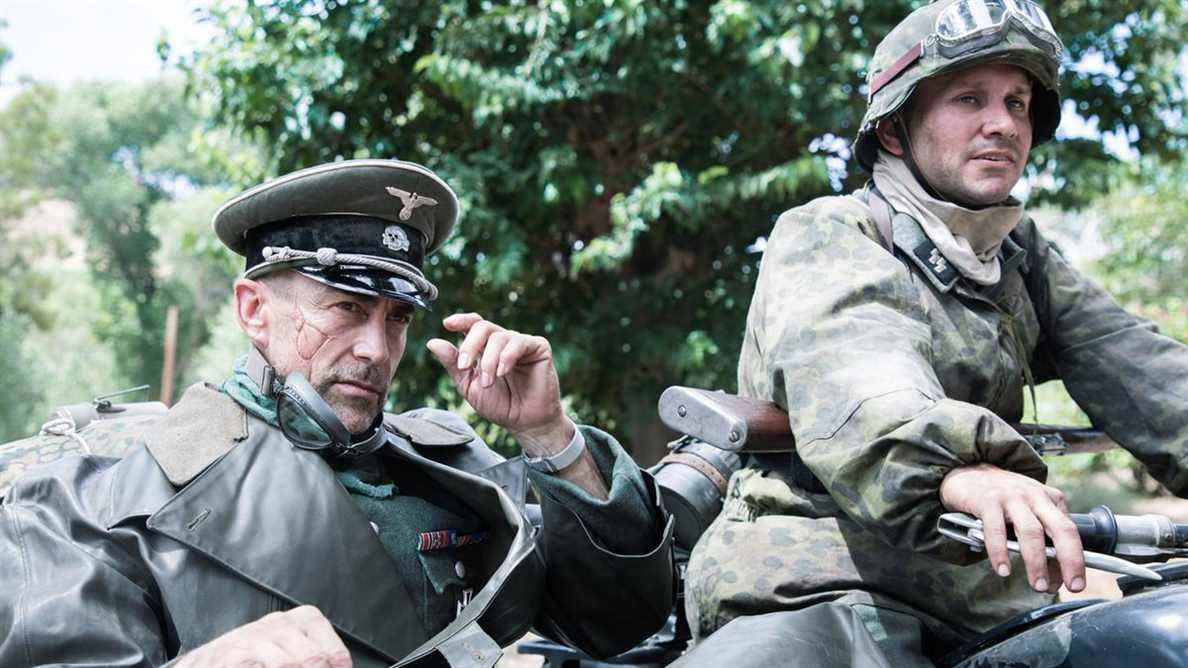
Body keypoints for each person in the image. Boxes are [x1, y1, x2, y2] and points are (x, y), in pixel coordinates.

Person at [0, 159, 674, 667]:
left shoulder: (455, 466)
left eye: (398, 318)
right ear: (254, 311)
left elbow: (618, 621)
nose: (377, 351)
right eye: (347, 309)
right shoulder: (99, 495)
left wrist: (548, 434)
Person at [679, 1, 1188, 665]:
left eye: (1017, 101)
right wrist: (958, 467)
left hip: (983, 593)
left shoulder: (1017, 257)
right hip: (820, 582)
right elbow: (857, 366)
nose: (1002, 124)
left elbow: (1142, 367)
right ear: (894, 130)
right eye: (969, 98)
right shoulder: (831, 232)